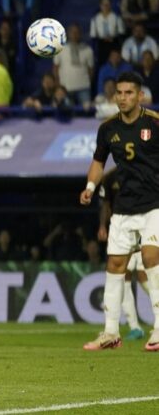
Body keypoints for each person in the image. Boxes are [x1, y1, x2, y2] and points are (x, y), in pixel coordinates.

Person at [80, 71, 159, 351]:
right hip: (124, 208)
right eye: (119, 93)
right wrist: (91, 185)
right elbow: (98, 161)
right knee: (115, 266)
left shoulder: (154, 123)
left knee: (151, 257)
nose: (123, 98)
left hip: (154, 205)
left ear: (140, 95)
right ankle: (110, 332)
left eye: (129, 93)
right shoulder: (107, 129)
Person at [97, 167, 149, 341]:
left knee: (144, 276)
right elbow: (106, 204)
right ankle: (134, 326)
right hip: (122, 230)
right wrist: (103, 226)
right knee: (123, 276)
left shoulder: (143, 170)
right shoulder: (110, 178)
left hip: (144, 227)